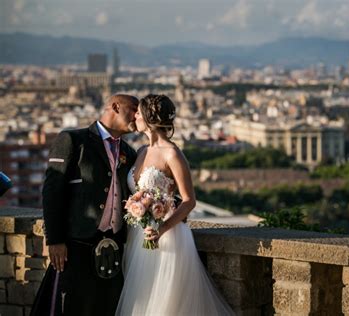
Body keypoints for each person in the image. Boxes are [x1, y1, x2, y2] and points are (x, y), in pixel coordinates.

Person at [115, 94, 234, 315]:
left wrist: (161, 229)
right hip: (138, 235)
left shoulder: (172, 154)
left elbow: (189, 201)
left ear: (149, 119)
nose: (135, 116)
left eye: (138, 112)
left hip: (167, 237)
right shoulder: (141, 151)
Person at [31, 94, 139, 316]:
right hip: (75, 244)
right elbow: (52, 192)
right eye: (133, 109)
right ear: (115, 107)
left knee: (106, 308)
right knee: (71, 307)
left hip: (114, 247)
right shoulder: (73, 140)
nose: (137, 115)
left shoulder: (129, 152)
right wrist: (55, 240)